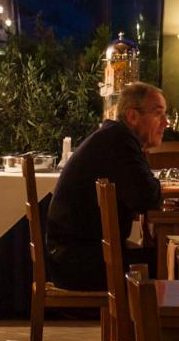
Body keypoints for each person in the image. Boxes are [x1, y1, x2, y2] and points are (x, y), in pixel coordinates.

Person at [44, 82, 167, 291]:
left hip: (72, 255)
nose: (166, 122)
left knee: (164, 256)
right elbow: (147, 197)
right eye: (158, 114)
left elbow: (143, 193)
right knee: (172, 262)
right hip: (77, 263)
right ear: (132, 116)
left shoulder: (113, 137)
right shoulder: (119, 143)